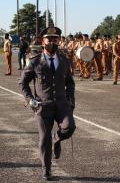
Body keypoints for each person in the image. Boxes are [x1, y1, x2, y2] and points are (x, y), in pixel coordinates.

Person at [18, 26, 76, 181]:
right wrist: (30, 99)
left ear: (59, 40)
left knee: (69, 127)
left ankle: (56, 138)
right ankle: (46, 169)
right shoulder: (34, 61)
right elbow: (23, 83)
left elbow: (70, 83)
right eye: (49, 39)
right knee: (44, 138)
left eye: (55, 39)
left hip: (62, 104)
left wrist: (71, 100)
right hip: (43, 106)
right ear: (42, 41)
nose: (52, 41)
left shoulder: (64, 60)